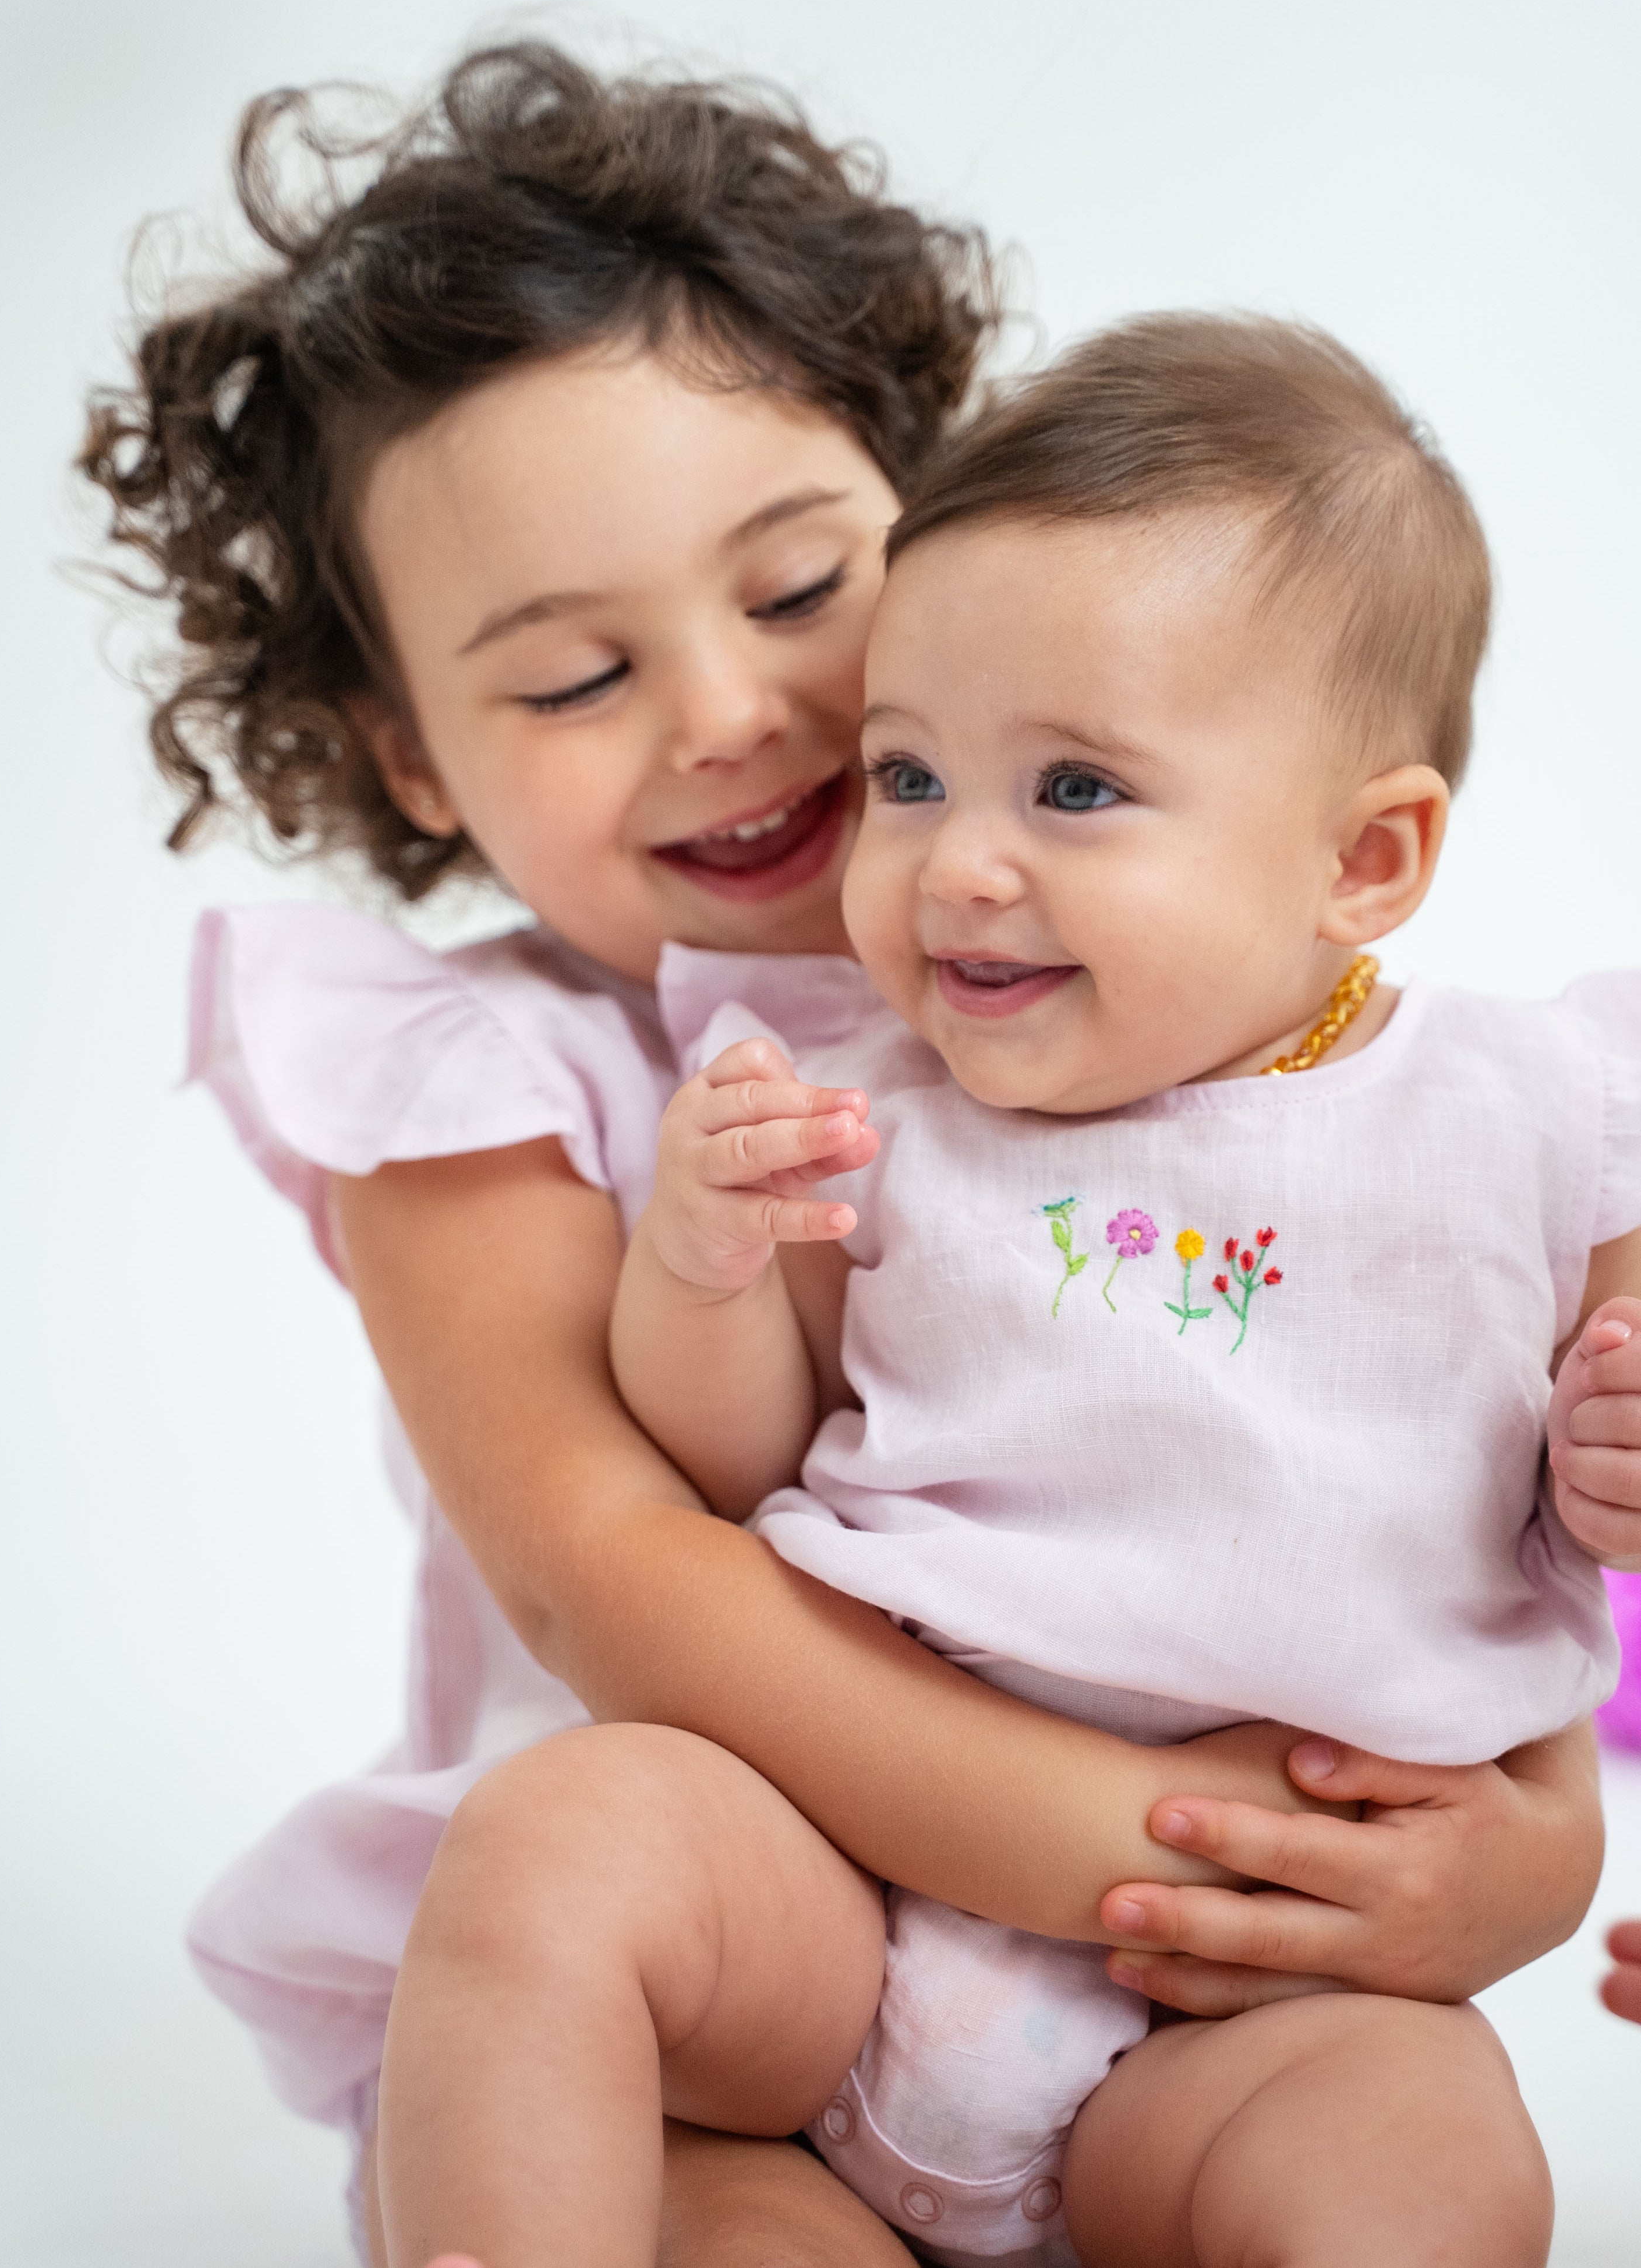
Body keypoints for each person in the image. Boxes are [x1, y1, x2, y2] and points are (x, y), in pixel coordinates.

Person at [80, 45, 1612, 2268]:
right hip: (756, 1993)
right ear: (413, 753)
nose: (729, 711)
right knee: (565, 1856)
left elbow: (1406, 1489)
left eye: (801, 591)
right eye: (576, 674)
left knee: (1416, 2163)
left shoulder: (1220, 1018)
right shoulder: (480, 1076)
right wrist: (1164, 1845)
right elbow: (619, 1567)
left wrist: (1527, 1849)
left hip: (1215, 2025)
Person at [377, 315, 1641, 2268]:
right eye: (908, 774)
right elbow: (734, 1458)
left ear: (1367, 857)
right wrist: (705, 1263)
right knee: (558, 1839)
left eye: (1073, 792)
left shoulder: (1536, 1117)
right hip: (832, 1909)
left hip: (1266, 2008)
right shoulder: (865, 1099)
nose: (957, 865)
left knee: (1419, 2180)